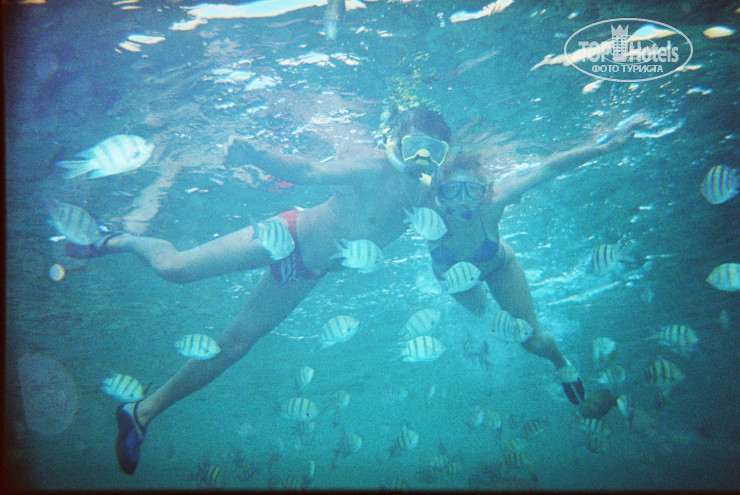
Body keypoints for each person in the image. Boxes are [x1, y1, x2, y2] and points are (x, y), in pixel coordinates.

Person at [68, 106, 452, 474]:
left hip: (305, 272)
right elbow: (310, 169)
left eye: (433, 151)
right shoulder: (372, 170)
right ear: (395, 144)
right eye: (413, 146)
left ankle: (141, 412)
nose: (420, 158)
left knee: (236, 345)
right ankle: (114, 239)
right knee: (175, 269)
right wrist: (256, 155)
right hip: (286, 234)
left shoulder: (429, 198)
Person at [424, 112, 650, 405]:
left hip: (499, 267)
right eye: (453, 190)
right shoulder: (426, 209)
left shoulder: (493, 204)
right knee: (480, 310)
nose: (463, 199)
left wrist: (606, 147)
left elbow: (549, 167)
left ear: (485, 192)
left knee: (532, 341)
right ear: (440, 193)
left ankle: (562, 364)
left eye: (473, 190)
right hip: (455, 280)